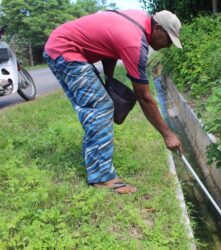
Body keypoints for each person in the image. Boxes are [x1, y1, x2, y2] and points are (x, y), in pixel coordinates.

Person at [43, 9, 182, 194]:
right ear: (157, 29)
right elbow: (144, 97)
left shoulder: (138, 19)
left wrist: (108, 80)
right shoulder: (135, 43)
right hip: (66, 51)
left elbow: (109, 49)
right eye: (169, 40)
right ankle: (102, 178)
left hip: (60, 46)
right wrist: (168, 134)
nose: (168, 46)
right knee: (100, 107)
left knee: (96, 106)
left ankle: (95, 162)